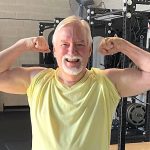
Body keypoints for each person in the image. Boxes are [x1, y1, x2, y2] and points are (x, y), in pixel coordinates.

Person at [0, 15, 150, 150]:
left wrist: (123, 45)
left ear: (90, 50)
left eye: (80, 44)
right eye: (64, 44)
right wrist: (23, 45)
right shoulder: (37, 80)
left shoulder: (106, 83)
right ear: (54, 51)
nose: (72, 51)